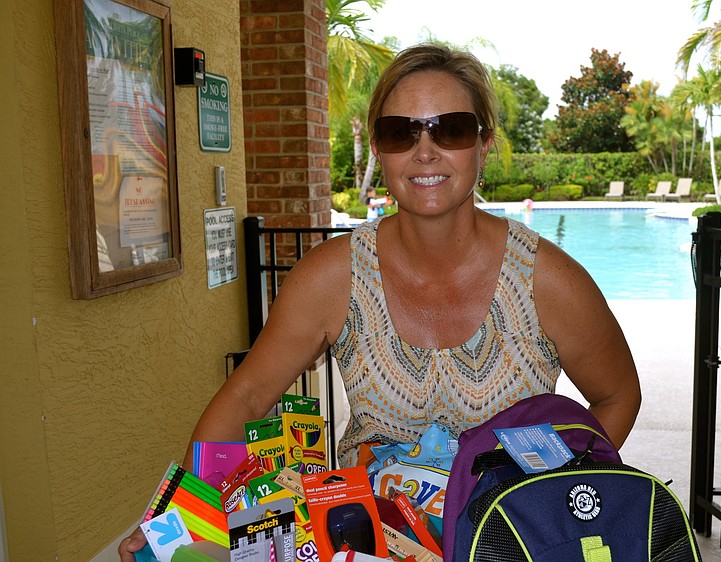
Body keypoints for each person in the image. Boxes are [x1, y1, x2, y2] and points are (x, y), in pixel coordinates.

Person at [119, 43, 641, 560]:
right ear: (378, 150)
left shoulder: (544, 279)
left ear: (483, 144)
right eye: (401, 132)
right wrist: (180, 521)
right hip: (365, 545)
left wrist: (551, 500)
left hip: (507, 544)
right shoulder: (333, 277)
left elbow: (618, 397)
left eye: (451, 128)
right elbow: (248, 397)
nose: (425, 150)